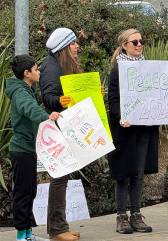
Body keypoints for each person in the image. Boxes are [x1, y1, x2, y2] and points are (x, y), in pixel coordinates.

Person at [108, 28, 159, 234]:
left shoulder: (150, 67)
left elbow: (159, 95)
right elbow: (112, 100)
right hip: (126, 130)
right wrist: (121, 117)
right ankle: (121, 216)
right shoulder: (118, 69)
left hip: (144, 128)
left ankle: (136, 214)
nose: (139, 45)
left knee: (138, 172)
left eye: (140, 41)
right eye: (134, 42)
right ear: (124, 46)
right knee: (124, 173)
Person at [5, 54, 60, 241]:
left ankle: (27, 233)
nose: (39, 72)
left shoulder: (26, 89)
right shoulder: (20, 93)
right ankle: (22, 235)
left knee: (30, 191)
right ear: (27, 73)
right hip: (21, 150)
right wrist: (47, 117)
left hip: (28, 149)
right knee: (22, 192)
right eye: (36, 69)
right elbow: (30, 109)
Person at [39, 27, 81, 241]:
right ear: (64, 47)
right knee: (59, 178)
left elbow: (71, 93)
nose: (77, 46)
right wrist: (59, 101)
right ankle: (56, 230)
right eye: (73, 43)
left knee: (62, 178)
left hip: (66, 127)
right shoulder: (51, 66)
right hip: (56, 131)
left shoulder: (62, 64)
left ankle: (60, 226)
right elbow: (48, 97)